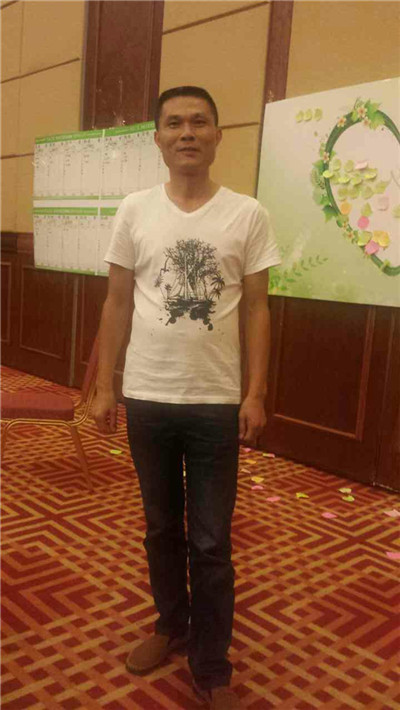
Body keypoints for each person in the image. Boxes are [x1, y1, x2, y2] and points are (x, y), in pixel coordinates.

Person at [93, 86, 281, 710]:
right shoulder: (134, 210)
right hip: (148, 396)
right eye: (174, 123)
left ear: (219, 134)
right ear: (158, 138)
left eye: (200, 121)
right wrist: (103, 386)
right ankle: (170, 625)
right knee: (159, 527)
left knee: (211, 540)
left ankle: (212, 663)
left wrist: (255, 393)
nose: (187, 132)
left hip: (215, 402)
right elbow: (117, 301)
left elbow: (257, 309)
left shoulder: (246, 214)